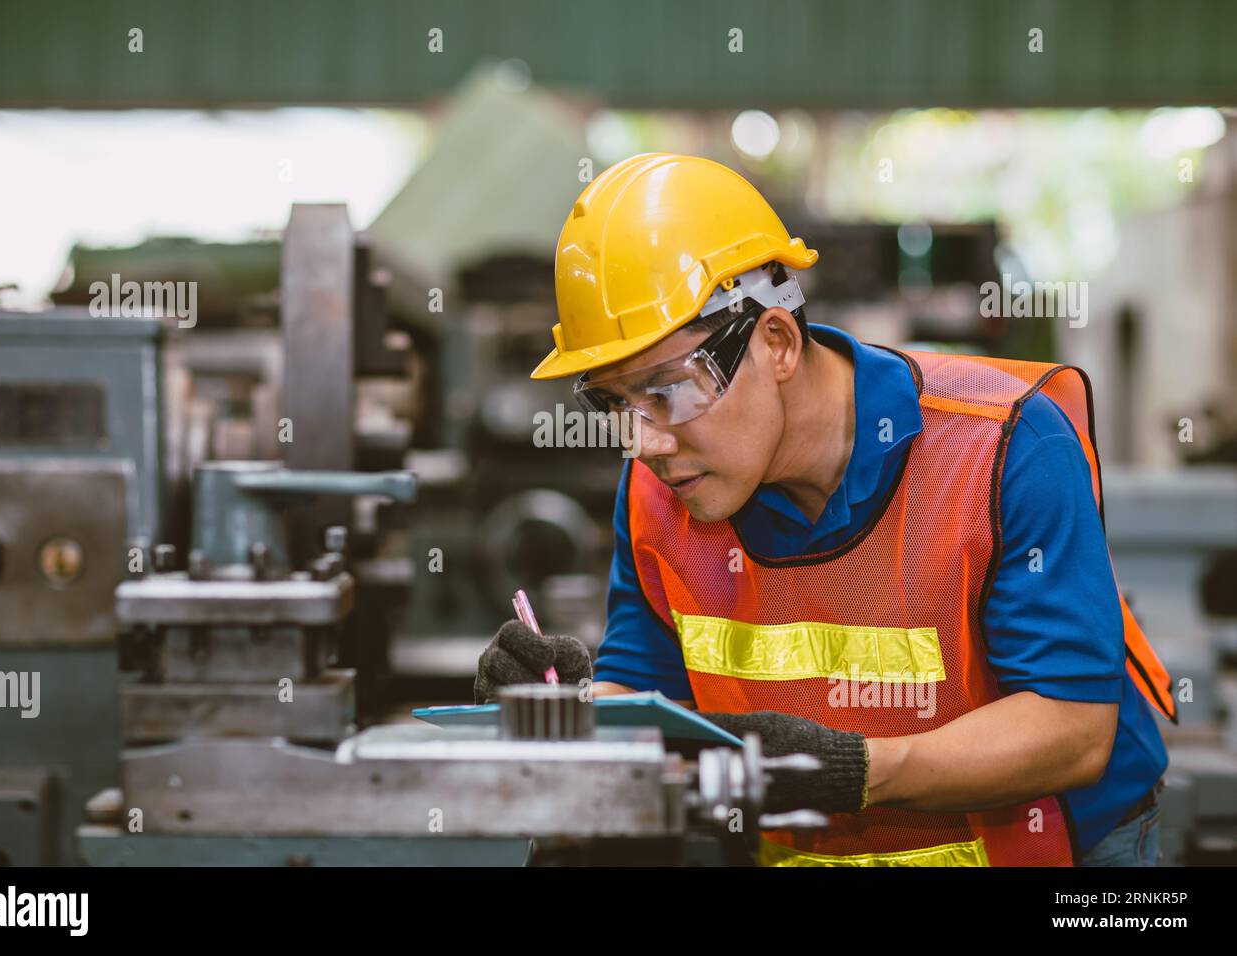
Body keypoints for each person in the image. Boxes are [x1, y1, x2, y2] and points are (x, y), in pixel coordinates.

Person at [475, 153, 1174, 867]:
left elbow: (1074, 729)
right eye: (615, 404)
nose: (642, 441)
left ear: (775, 341)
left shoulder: (1000, 446)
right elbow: (654, 681)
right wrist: (575, 706)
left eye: (666, 391)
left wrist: (851, 769)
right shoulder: (661, 487)